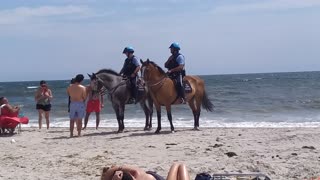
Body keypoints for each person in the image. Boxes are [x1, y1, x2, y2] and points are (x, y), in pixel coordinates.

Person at [101, 163, 190, 180]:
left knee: (179, 165)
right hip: (153, 176)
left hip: (153, 176)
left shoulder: (138, 174)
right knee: (179, 165)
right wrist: (116, 168)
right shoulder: (137, 173)